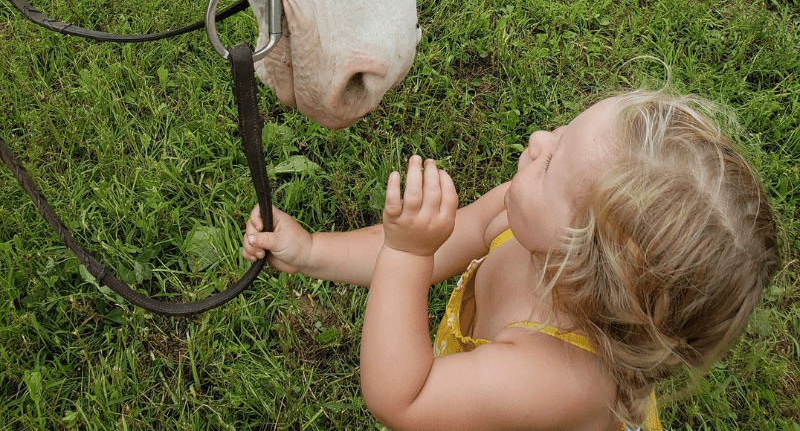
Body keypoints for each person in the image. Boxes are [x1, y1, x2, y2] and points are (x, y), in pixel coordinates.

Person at [243, 90, 780, 431]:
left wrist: (407, 254)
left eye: (551, 165)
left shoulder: (557, 379)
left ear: (582, 262)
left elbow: (404, 400)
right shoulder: (525, 222)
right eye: (564, 131)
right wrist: (313, 251)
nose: (539, 138)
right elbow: (458, 237)